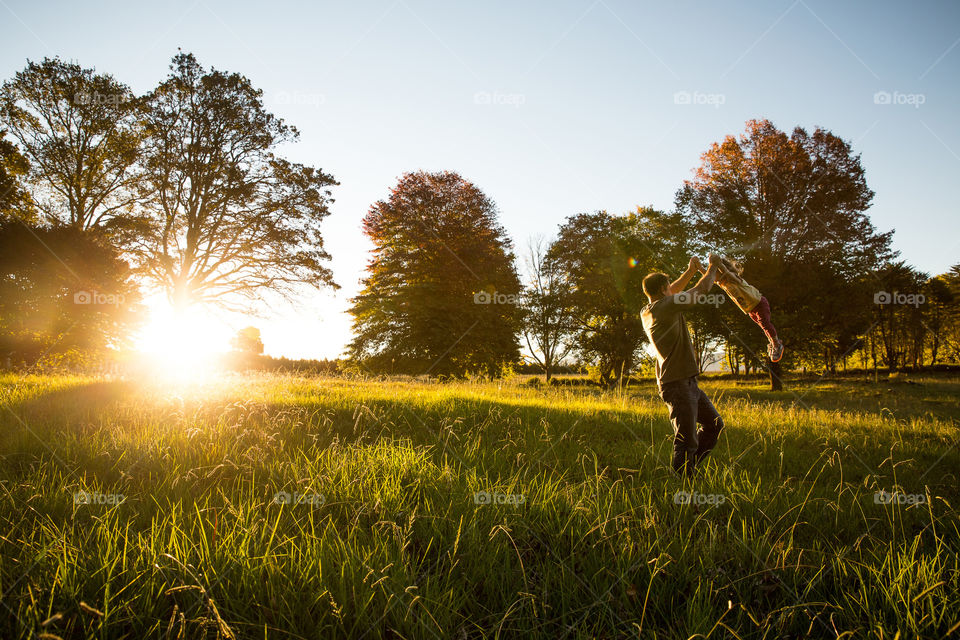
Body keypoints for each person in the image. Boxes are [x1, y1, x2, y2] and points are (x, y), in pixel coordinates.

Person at [641, 255, 725, 476]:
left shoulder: (648, 310)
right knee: (686, 441)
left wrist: (689, 271)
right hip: (678, 384)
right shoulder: (666, 306)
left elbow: (674, 291)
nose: (672, 289)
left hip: (686, 382)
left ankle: (689, 471)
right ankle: (683, 487)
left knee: (714, 424)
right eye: (668, 286)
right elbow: (700, 291)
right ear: (662, 289)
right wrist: (713, 267)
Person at [697, 253, 784, 362]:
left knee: (765, 324)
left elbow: (728, 274)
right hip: (751, 309)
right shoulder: (722, 283)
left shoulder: (733, 278)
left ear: (721, 271)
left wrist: (719, 264)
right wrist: (699, 267)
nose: (713, 275)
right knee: (763, 326)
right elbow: (708, 276)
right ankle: (773, 342)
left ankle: (776, 344)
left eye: (715, 272)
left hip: (758, 303)